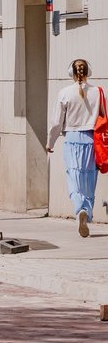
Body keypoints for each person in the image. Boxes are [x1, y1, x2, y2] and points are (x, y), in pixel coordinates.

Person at [46, 58, 104, 237]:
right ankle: (87, 209)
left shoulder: (65, 93)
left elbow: (57, 122)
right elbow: (104, 119)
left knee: (74, 176)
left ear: (72, 73)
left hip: (72, 138)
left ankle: (79, 210)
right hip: (92, 139)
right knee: (89, 179)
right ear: (88, 72)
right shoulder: (98, 92)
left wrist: (50, 142)